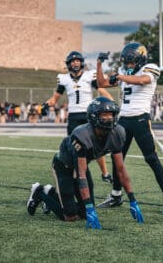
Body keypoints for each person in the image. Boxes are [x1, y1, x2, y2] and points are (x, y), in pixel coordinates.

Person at [27, 97, 144, 229]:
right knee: (70, 216)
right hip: (64, 165)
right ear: (94, 117)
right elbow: (81, 175)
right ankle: (39, 192)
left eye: (111, 114)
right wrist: (89, 207)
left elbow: (121, 169)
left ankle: (51, 193)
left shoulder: (118, 133)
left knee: (83, 213)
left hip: (81, 165)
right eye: (104, 115)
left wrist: (133, 200)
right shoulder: (82, 135)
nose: (109, 118)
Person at [96, 42, 163, 215]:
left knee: (151, 159)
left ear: (140, 59)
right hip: (123, 120)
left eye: (132, 62)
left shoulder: (149, 68)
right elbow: (101, 82)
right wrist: (99, 63)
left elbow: (142, 80)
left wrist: (119, 76)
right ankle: (116, 195)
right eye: (126, 62)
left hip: (140, 119)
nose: (128, 65)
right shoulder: (124, 72)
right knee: (117, 158)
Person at [41, 51, 112, 184]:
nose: (75, 63)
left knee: (96, 145)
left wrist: (111, 100)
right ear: (68, 64)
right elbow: (55, 98)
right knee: (74, 147)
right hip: (73, 116)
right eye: (73, 61)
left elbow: (101, 90)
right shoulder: (64, 79)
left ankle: (105, 173)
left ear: (82, 62)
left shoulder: (89, 75)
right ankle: (77, 172)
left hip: (89, 115)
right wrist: (46, 105)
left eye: (78, 60)